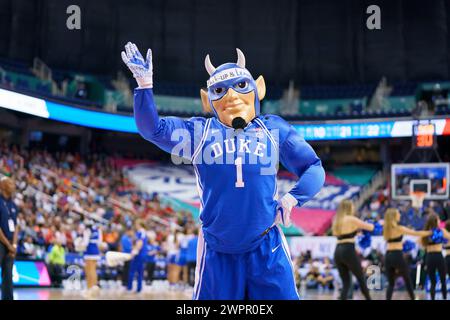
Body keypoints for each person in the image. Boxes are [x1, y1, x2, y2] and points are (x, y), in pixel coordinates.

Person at [121, 42, 324, 300]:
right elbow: (153, 130)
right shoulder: (199, 132)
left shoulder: (273, 129)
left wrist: (293, 197)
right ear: (208, 100)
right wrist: (144, 86)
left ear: (257, 88)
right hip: (218, 250)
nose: (231, 96)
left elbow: (313, 168)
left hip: (266, 245)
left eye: (241, 85)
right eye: (219, 90)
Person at [382, 208, 431, 300]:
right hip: (397, 255)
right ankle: (412, 298)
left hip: (388, 256)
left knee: (391, 283)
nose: (399, 215)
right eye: (398, 214)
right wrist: (430, 232)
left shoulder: (385, 229)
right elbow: (416, 233)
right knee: (407, 279)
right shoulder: (399, 228)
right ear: (394, 216)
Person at [331, 200, 374, 300]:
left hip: (337, 251)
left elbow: (342, 233)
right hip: (348, 250)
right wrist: (372, 223)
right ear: (349, 207)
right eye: (352, 206)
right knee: (361, 278)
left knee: (346, 282)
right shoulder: (351, 219)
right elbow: (370, 227)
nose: (353, 208)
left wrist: (355, 231)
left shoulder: (336, 220)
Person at [420, 213, 450, 300]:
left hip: (429, 257)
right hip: (438, 256)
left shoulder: (426, 232)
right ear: (436, 221)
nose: (440, 221)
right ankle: (445, 298)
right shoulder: (441, 231)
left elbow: (422, 245)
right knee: (443, 280)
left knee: (433, 282)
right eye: (438, 220)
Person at [0, 177, 19, 300]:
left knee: (8, 276)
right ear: (2, 185)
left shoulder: (13, 204)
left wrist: (14, 245)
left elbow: (16, 226)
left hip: (10, 245)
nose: (14, 185)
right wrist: (8, 245)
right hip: (1, 243)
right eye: (10, 183)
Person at [82, 221, 102, 298]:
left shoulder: (87, 231)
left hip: (89, 251)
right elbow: (100, 242)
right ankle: (95, 289)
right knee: (94, 270)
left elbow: (85, 243)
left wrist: (79, 243)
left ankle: (89, 289)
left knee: (88, 271)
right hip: (96, 251)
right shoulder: (98, 230)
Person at [127, 219, 148, 293]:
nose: (135, 226)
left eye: (136, 224)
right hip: (139, 253)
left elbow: (140, 242)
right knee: (138, 271)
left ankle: (131, 288)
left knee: (133, 271)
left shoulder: (142, 232)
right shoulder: (138, 232)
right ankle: (137, 288)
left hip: (139, 254)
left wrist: (135, 251)